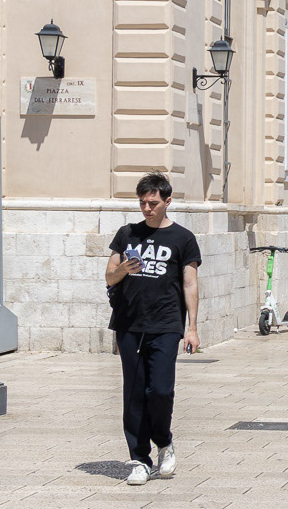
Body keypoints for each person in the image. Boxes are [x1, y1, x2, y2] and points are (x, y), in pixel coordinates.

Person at [105, 172, 201, 486]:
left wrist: (193, 328)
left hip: (166, 324)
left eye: (153, 203)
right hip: (130, 324)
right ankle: (139, 460)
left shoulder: (183, 238)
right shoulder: (126, 233)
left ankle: (164, 442)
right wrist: (123, 269)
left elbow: (189, 283)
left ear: (167, 201)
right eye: (143, 203)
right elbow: (109, 277)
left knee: (159, 390)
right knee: (134, 393)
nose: (147, 208)